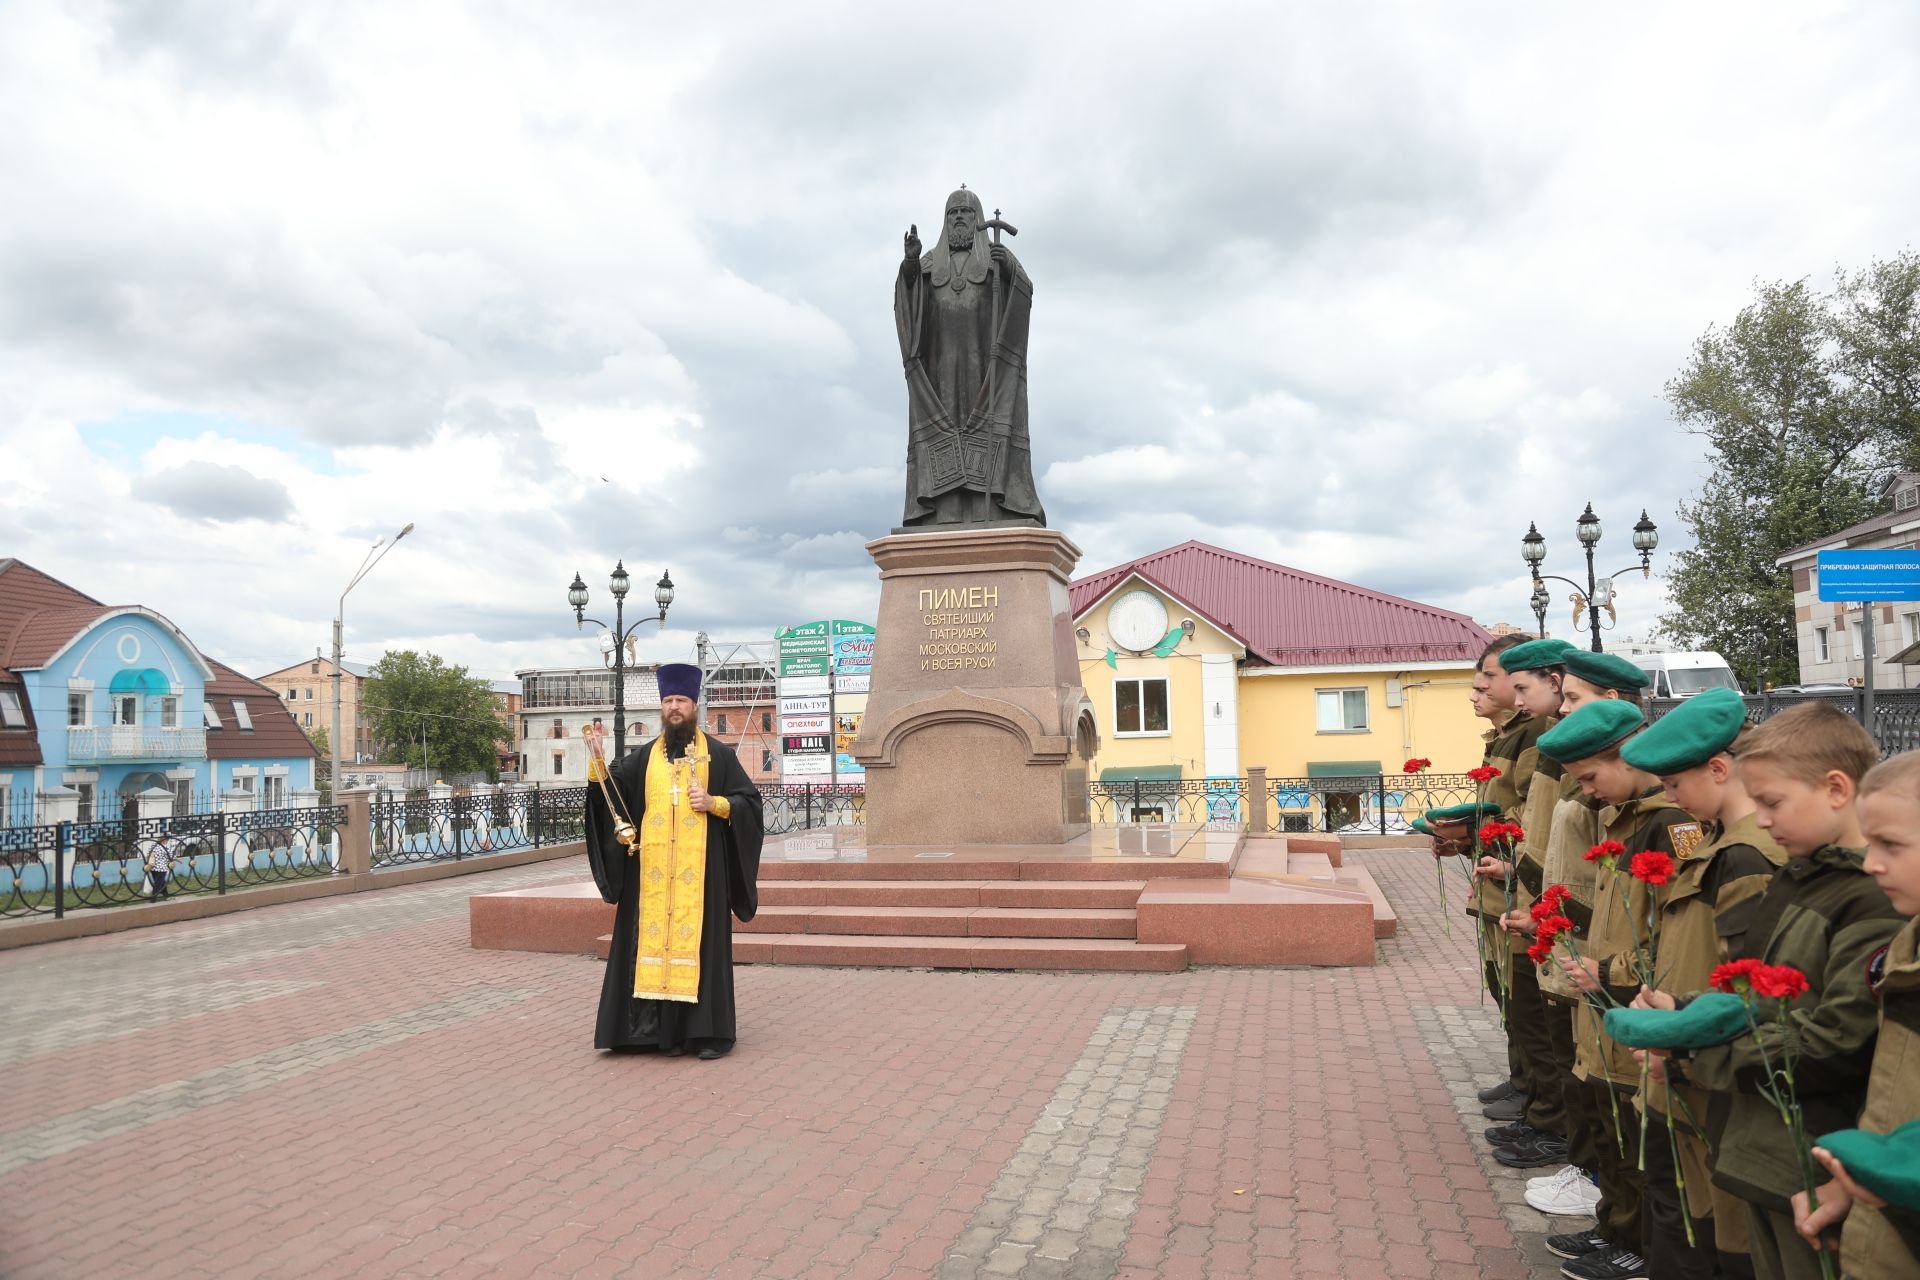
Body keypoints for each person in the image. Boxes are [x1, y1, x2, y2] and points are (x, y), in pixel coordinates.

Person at [1684, 703, 1903, 1280]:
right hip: (1769, 1143)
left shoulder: (1870, 897)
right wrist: (1685, 1016)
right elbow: (1757, 994)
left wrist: (1702, 1049)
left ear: (1835, 788)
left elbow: (1838, 1043)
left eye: (1772, 803)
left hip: (1814, 1149)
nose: (1760, 818)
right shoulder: (1801, 874)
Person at [1618, 689, 1788, 1280]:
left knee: (1712, 1235)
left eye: (1674, 785)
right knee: (1681, 1214)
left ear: (1719, 769)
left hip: (1707, 1075)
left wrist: (1687, 1039)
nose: (1669, 800)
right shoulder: (1719, 844)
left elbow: (1750, 981)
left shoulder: (1744, 858)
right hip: (1686, 1062)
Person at [1539, 696, 1691, 1280]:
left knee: (1635, 1143)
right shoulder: (1624, 817)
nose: (1589, 792)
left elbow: (1675, 931)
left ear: (1627, 757)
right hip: (1604, 1002)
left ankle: (1636, 1243)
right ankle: (1614, 1226)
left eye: (1592, 777)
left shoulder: (1668, 825)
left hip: (1636, 1003)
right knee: (1607, 1124)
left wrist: (1615, 972)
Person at [583, 663, 765, 1059]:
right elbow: (611, 797)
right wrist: (597, 760)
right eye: (667, 701)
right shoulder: (644, 758)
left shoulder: (718, 755)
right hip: (651, 876)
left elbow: (750, 803)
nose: (674, 707)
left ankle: (705, 1034)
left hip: (701, 875)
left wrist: (715, 803)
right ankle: (647, 1032)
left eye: (680, 700)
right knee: (645, 945)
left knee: (700, 946)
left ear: (694, 705)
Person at [1791, 750, 1920, 1279]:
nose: (1870, 863)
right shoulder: (1907, 943)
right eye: (1870, 843)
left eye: (1892, 845)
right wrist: (1854, 1186)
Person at [895, 186, 1045, 528]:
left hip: (986, 368)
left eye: (966, 212)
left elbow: (1024, 293)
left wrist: (1008, 269)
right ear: (945, 221)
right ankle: (946, 512)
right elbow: (907, 302)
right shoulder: (929, 264)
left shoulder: (994, 260)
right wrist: (909, 265)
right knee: (946, 433)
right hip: (941, 370)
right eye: (952, 213)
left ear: (978, 219)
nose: (959, 218)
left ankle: (988, 509)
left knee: (986, 428)